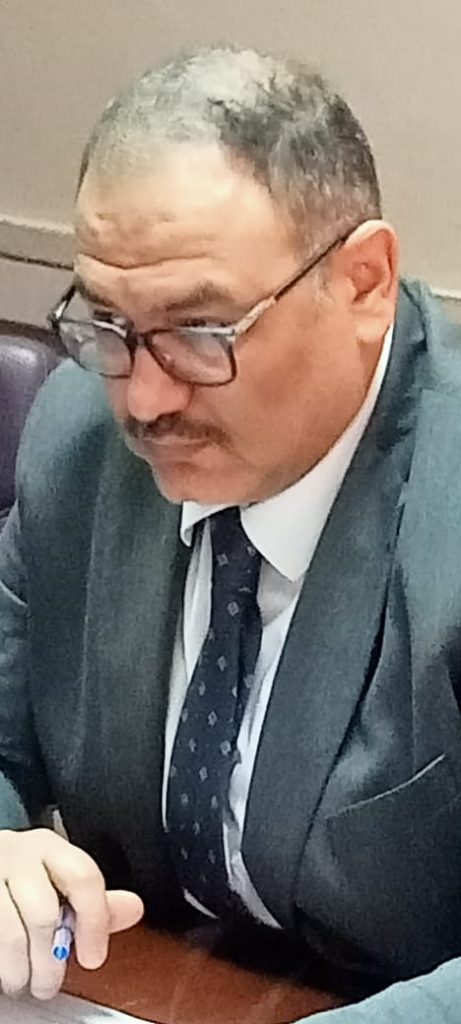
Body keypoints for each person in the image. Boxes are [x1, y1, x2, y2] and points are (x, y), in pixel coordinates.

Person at [1, 45, 461, 1022]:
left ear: (363, 283)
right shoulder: (79, 436)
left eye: (200, 331)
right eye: (106, 322)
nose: (143, 398)